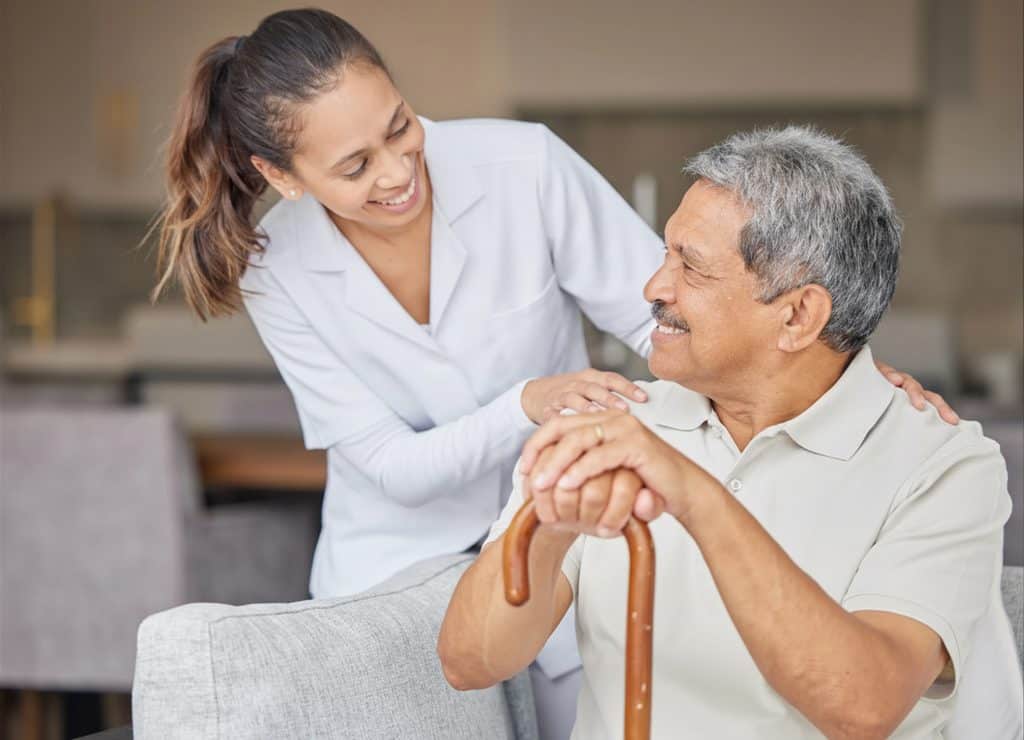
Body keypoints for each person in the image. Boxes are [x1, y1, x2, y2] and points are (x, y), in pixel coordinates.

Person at [152, 10, 957, 738]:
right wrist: (528, 404)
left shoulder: (521, 163)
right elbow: (393, 468)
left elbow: (672, 318)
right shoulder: (276, 271)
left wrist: (849, 375)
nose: (397, 172)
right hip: (389, 562)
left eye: (401, 128)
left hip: (578, 527)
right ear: (285, 177)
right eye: (355, 167)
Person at [438, 127, 1019, 738]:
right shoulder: (608, 424)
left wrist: (692, 493)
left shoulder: (944, 465)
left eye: (691, 267)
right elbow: (468, 663)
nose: (653, 289)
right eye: (666, 254)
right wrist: (547, 532)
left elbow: (864, 706)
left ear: (797, 315)